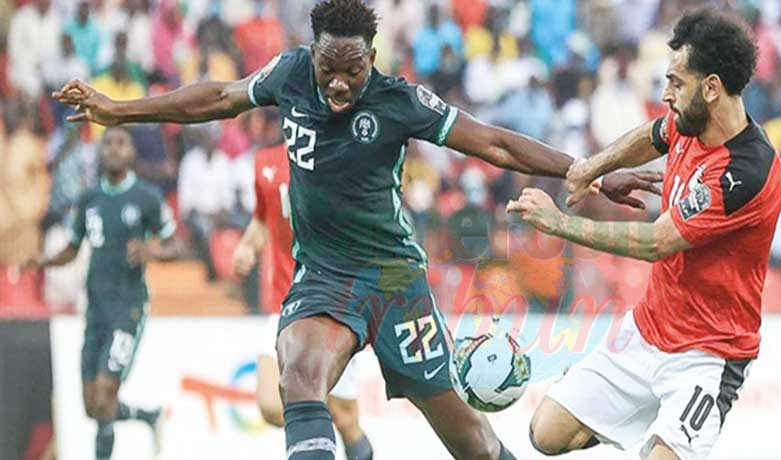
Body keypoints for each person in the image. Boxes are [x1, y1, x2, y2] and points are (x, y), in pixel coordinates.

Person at [53, 1, 655, 458]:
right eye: (327, 68)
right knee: (299, 374)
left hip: (396, 280)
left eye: (353, 70)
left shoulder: (400, 101)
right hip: (325, 278)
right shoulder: (289, 75)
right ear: (311, 52)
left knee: (468, 439)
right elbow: (216, 98)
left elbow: (494, 141)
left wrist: (590, 172)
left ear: (373, 56)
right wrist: (119, 110)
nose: (339, 84)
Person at [509, 9, 781, 460]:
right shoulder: (691, 121)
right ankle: (642, 423)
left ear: (712, 87)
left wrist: (558, 224)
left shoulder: (744, 172)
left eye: (676, 82)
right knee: (546, 434)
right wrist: (591, 168)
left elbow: (657, 243)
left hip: (709, 354)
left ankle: (664, 435)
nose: (665, 94)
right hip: (647, 329)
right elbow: (654, 135)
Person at [28, 127, 178, 460]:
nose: (112, 149)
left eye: (120, 143)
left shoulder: (146, 197)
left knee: (106, 393)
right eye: (107, 143)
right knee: (92, 406)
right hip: (95, 308)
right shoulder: (88, 199)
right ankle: (148, 416)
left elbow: (176, 244)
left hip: (128, 307)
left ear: (131, 153)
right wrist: (45, 260)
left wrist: (151, 252)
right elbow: (72, 246)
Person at [232, 110, 373, 460]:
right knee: (270, 404)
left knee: (345, 419)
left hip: (332, 304)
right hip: (284, 301)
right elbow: (264, 220)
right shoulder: (265, 162)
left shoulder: (341, 161)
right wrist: (247, 246)